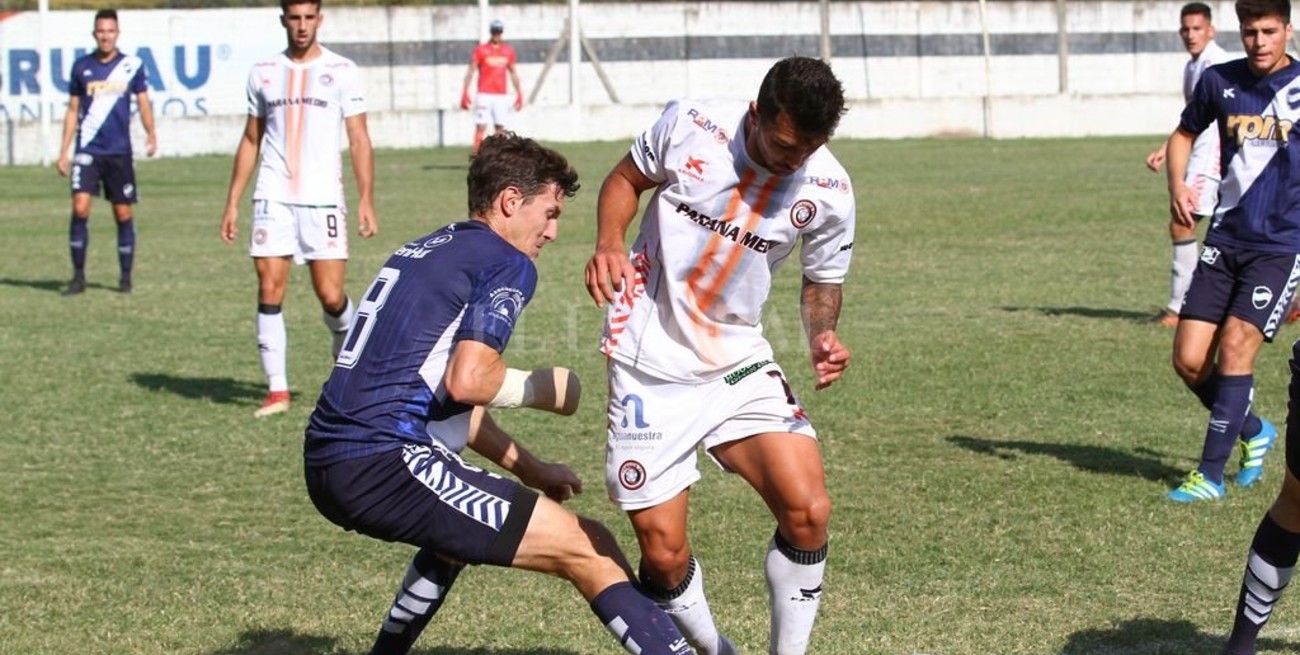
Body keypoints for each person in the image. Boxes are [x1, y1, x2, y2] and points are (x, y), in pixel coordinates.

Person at [303, 133, 696, 655]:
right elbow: (471, 380)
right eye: (550, 213)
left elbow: (446, 397)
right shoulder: (505, 261)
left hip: (328, 460)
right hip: (384, 462)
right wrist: (543, 388)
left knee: (453, 537)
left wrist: (529, 467)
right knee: (591, 547)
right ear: (511, 201)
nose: (553, 232)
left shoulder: (426, 249)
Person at [584, 56, 854, 655]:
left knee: (808, 509)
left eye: (807, 149)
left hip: (736, 357)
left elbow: (822, 279)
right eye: (784, 144)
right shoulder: (692, 124)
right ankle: (715, 651)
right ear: (756, 114)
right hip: (646, 357)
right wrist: (608, 243)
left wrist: (821, 336)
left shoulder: (829, 189)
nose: (792, 162)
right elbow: (625, 180)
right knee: (662, 551)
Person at [1164, 0, 1300, 505]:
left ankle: (1209, 475)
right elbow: (1183, 135)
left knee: (1238, 345)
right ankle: (1254, 428)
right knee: (1189, 360)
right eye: (1250, 32)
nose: (1259, 41)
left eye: (1269, 31)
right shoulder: (1219, 81)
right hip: (1225, 239)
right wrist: (1179, 184)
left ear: (1287, 30)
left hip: (1282, 245)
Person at [219, 0, 377, 418]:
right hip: (272, 195)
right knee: (270, 288)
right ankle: (277, 390)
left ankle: (348, 363)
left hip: (323, 198)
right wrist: (233, 201)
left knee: (331, 296)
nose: (302, 26)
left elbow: (359, 138)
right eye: (295, 18)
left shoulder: (342, 71)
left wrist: (365, 199)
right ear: (284, 20)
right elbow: (251, 139)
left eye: (309, 18)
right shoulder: (263, 72)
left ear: (319, 20)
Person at [55, 8, 157, 296]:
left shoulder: (132, 66)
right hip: (88, 148)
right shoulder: (82, 67)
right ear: (94, 33)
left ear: (117, 33)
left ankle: (125, 277)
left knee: (122, 212)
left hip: (119, 152)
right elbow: (73, 109)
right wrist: (64, 151)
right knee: (80, 207)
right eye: (101, 31)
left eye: (110, 31)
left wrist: (151, 132)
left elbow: (144, 102)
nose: (105, 36)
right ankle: (78, 277)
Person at [1146, 2, 1232, 327]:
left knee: (1182, 221)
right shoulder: (1192, 66)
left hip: (1211, 155)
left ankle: (1179, 308)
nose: (1190, 35)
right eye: (1186, 29)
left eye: (1197, 28)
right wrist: (1167, 149)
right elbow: (1192, 120)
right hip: (1200, 152)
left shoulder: (1217, 63)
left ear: (1211, 30)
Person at [460, 19, 524, 154]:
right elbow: (471, 70)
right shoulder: (481, 50)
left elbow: (513, 72)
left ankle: (498, 158)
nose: (497, 34)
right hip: (484, 93)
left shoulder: (508, 51)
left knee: (500, 128)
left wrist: (519, 93)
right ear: (491, 32)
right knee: (481, 126)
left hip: (501, 95)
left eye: (499, 32)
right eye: (495, 32)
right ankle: (476, 158)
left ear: (502, 33)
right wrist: (465, 91)